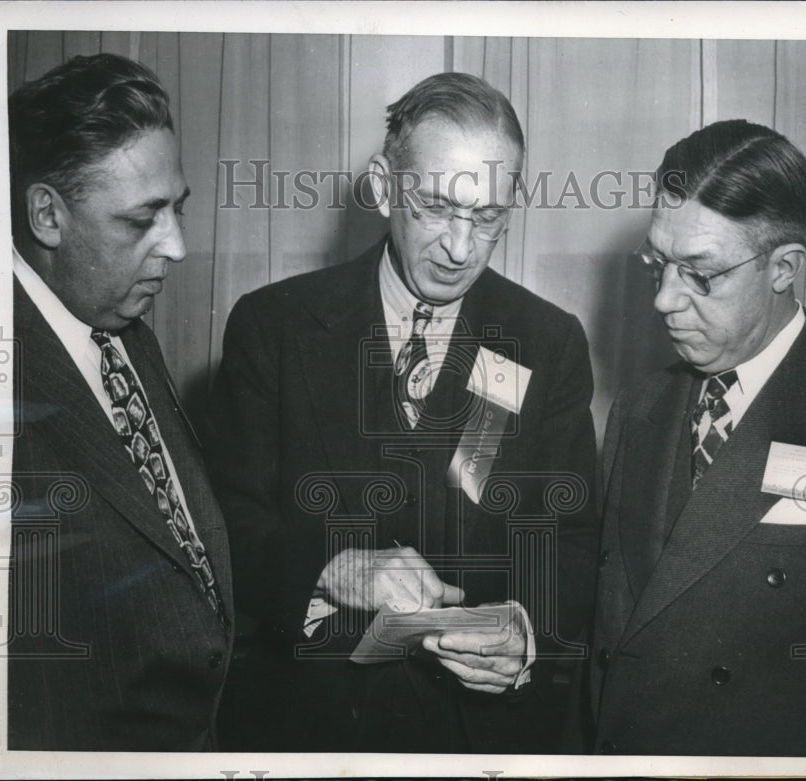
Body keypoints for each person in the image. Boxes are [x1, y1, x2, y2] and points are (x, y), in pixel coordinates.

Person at [205, 71, 598, 753]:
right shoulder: (273, 326)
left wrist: (526, 628)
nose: (459, 247)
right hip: (309, 731)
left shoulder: (548, 341)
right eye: (439, 207)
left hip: (480, 738)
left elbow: (571, 542)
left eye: (487, 219)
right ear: (385, 187)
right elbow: (223, 526)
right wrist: (330, 568)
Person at [585, 119, 806, 756]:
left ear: (783, 268)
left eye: (700, 275)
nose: (663, 300)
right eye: (659, 264)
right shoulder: (639, 405)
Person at [7, 53, 232, 750]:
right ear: (48, 213)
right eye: (143, 219)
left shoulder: (117, 326)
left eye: (177, 208)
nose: (179, 246)